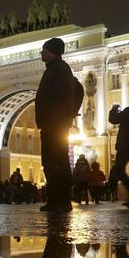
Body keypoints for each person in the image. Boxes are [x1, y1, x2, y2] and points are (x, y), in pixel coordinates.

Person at [35, 38, 84, 212]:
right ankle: (58, 200)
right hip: (54, 123)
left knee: (54, 162)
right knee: (55, 161)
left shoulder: (58, 70)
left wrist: (66, 114)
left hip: (54, 125)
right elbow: (79, 89)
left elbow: (77, 90)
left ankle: (60, 201)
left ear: (52, 51)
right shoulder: (57, 69)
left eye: (44, 50)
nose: (41, 53)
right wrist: (70, 112)